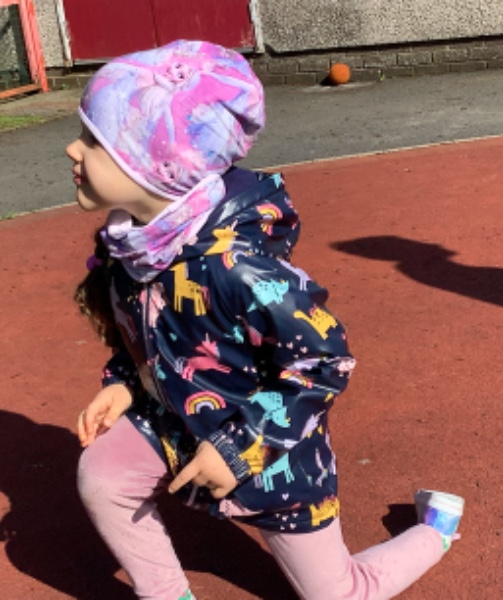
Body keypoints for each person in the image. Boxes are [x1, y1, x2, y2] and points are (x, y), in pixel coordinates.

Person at [68, 39, 463, 600]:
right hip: (178, 423)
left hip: (273, 453)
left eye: (94, 141)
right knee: (104, 474)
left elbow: (324, 361)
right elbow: (150, 336)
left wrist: (238, 449)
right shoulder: (134, 247)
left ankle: (436, 530)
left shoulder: (238, 268)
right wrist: (124, 384)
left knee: (338, 594)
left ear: (159, 168)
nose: (73, 149)